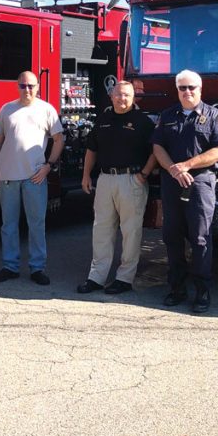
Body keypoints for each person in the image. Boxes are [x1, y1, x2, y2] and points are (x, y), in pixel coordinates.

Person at [152, 70, 218, 313]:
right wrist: (174, 170)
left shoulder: (213, 116)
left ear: (200, 89)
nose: (187, 92)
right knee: (172, 236)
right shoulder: (167, 116)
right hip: (171, 182)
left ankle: (202, 292)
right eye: (182, 88)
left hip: (200, 184)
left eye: (191, 88)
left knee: (200, 238)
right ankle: (176, 289)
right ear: (177, 89)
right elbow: (157, 147)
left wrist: (187, 165)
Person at [77, 80, 157, 295]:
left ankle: (124, 278)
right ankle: (97, 277)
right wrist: (86, 175)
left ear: (133, 98)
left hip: (132, 180)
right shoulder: (103, 119)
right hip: (105, 179)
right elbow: (91, 149)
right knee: (101, 229)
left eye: (127, 96)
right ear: (111, 96)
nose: (123, 99)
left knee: (131, 231)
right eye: (119, 95)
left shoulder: (143, 122)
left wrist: (144, 174)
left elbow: (155, 150)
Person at [0, 71, 64, 285]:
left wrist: (48, 166)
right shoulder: (7, 109)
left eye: (31, 85)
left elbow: (59, 140)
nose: (27, 90)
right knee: (9, 224)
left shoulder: (46, 109)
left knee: (36, 224)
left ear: (38, 86)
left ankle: (37, 268)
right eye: (23, 86)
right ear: (17, 87)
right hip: (8, 177)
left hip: (35, 178)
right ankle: (9, 266)